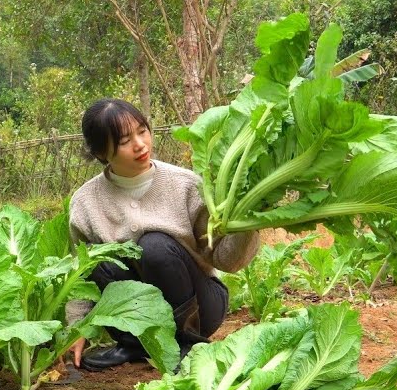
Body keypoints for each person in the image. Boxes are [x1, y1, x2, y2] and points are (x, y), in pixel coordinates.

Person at [64, 98, 259, 371]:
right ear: (101, 152)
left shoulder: (186, 186)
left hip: (202, 307)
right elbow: (80, 274)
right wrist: (76, 328)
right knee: (99, 260)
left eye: (142, 131)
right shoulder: (85, 203)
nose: (140, 144)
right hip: (137, 313)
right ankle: (133, 344)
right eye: (124, 141)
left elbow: (227, 261)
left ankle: (186, 343)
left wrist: (249, 221)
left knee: (154, 246)